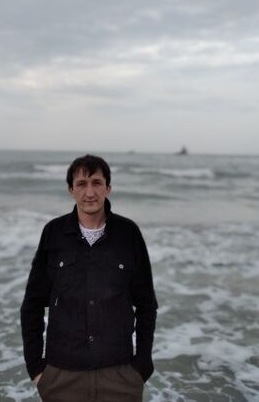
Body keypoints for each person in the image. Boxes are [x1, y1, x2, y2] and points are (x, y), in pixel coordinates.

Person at [20, 154, 158, 402]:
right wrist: (36, 368)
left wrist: (142, 366)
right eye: (81, 184)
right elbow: (32, 304)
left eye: (96, 183)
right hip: (61, 377)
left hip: (120, 377)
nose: (90, 192)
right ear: (71, 190)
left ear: (108, 188)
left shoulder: (128, 234)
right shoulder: (53, 233)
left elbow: (146, 304)